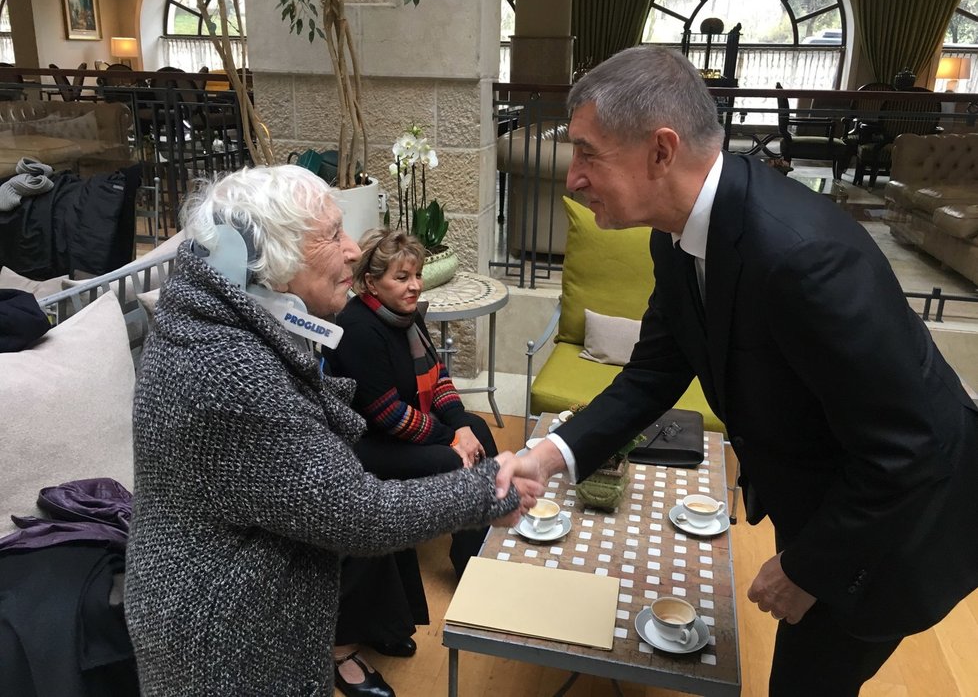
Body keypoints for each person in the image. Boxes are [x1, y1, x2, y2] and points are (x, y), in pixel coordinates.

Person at [496, 46, 978, 696]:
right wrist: (548, 456)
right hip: (834, 495)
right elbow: (652, 376)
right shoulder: (675, 236)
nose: (572, 177)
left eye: (587, 152)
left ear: (661, 153)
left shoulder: (802, 258)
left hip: (896, 532)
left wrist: (807, 568)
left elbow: (913, 449)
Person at [124, 165, 541, 697]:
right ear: (262, 257)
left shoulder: (220, 316)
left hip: (241, 608)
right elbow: (355, 514)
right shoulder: (224, 369)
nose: (351, 250)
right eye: (330, 235)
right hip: (224, 637)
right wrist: (488, 489)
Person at [329, 228, 499, 578]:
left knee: (479, 428)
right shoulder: (357, 327)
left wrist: (463, 426)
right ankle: (472, 568)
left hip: (400, 428)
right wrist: (452, 438)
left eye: (417, 275)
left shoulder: (407, 317)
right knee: (451, 459)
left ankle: (487, 542)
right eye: (402, 277)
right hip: (367, 442)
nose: (415, 285)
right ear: (371, 283)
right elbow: (388, 415)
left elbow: (438, 377)